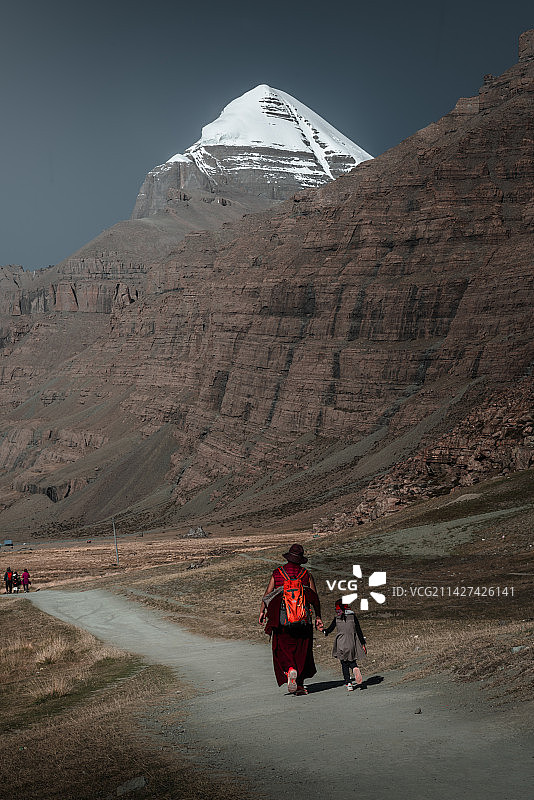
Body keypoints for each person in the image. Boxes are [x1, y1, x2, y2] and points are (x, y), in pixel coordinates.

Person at [259, 544, 323, 695]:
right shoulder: (306, 574)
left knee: (282, 648)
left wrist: (262, 611)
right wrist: (318, 616)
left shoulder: (278, 573)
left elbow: (267, 594)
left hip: (282, 619)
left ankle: (290, 669)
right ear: (300, 559)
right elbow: (314, 598)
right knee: (302, 650)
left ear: (288, 557)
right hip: (302, 619)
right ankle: (299, 686)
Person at [324, 598, 367, 691]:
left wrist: (324, 631)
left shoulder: (337, 619)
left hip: (341, 643)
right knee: (352, 659)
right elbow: (359, 631)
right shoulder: (353, 617)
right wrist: (363, 644)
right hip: (352, 642)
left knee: (344, 663)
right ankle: (355, 667)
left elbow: (329, 630)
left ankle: (348, 683)